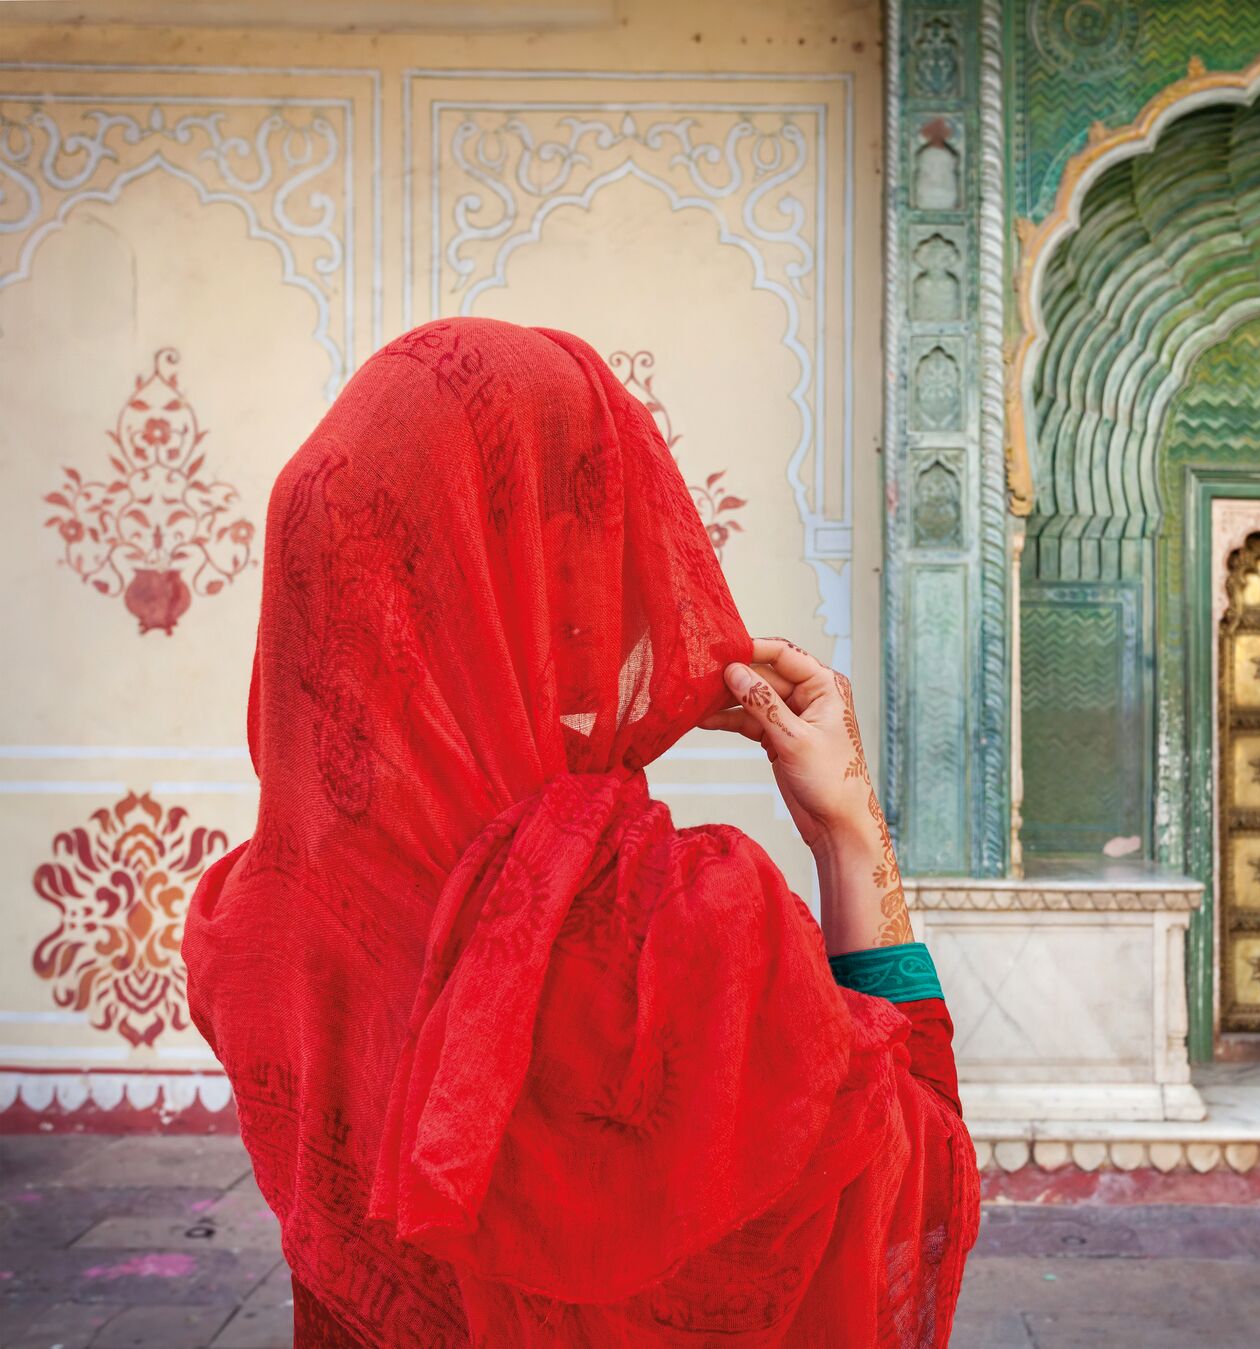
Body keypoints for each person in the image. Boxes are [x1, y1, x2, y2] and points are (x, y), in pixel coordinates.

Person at [182, 317, 978, 1347]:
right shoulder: (665, 936)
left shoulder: (252, 918)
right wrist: (848, 829)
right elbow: (912, 1188)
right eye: (590, 533)